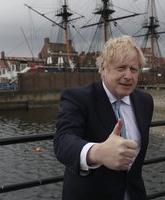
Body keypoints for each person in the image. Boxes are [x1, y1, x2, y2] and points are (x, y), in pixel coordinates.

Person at [54, 35, 154, 200]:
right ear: (103, 69)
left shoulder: (145, 101)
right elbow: (63, 141)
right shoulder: (78, 98)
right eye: (121, 68)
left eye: (133, 69)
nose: (128, 76)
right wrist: (98, 153)